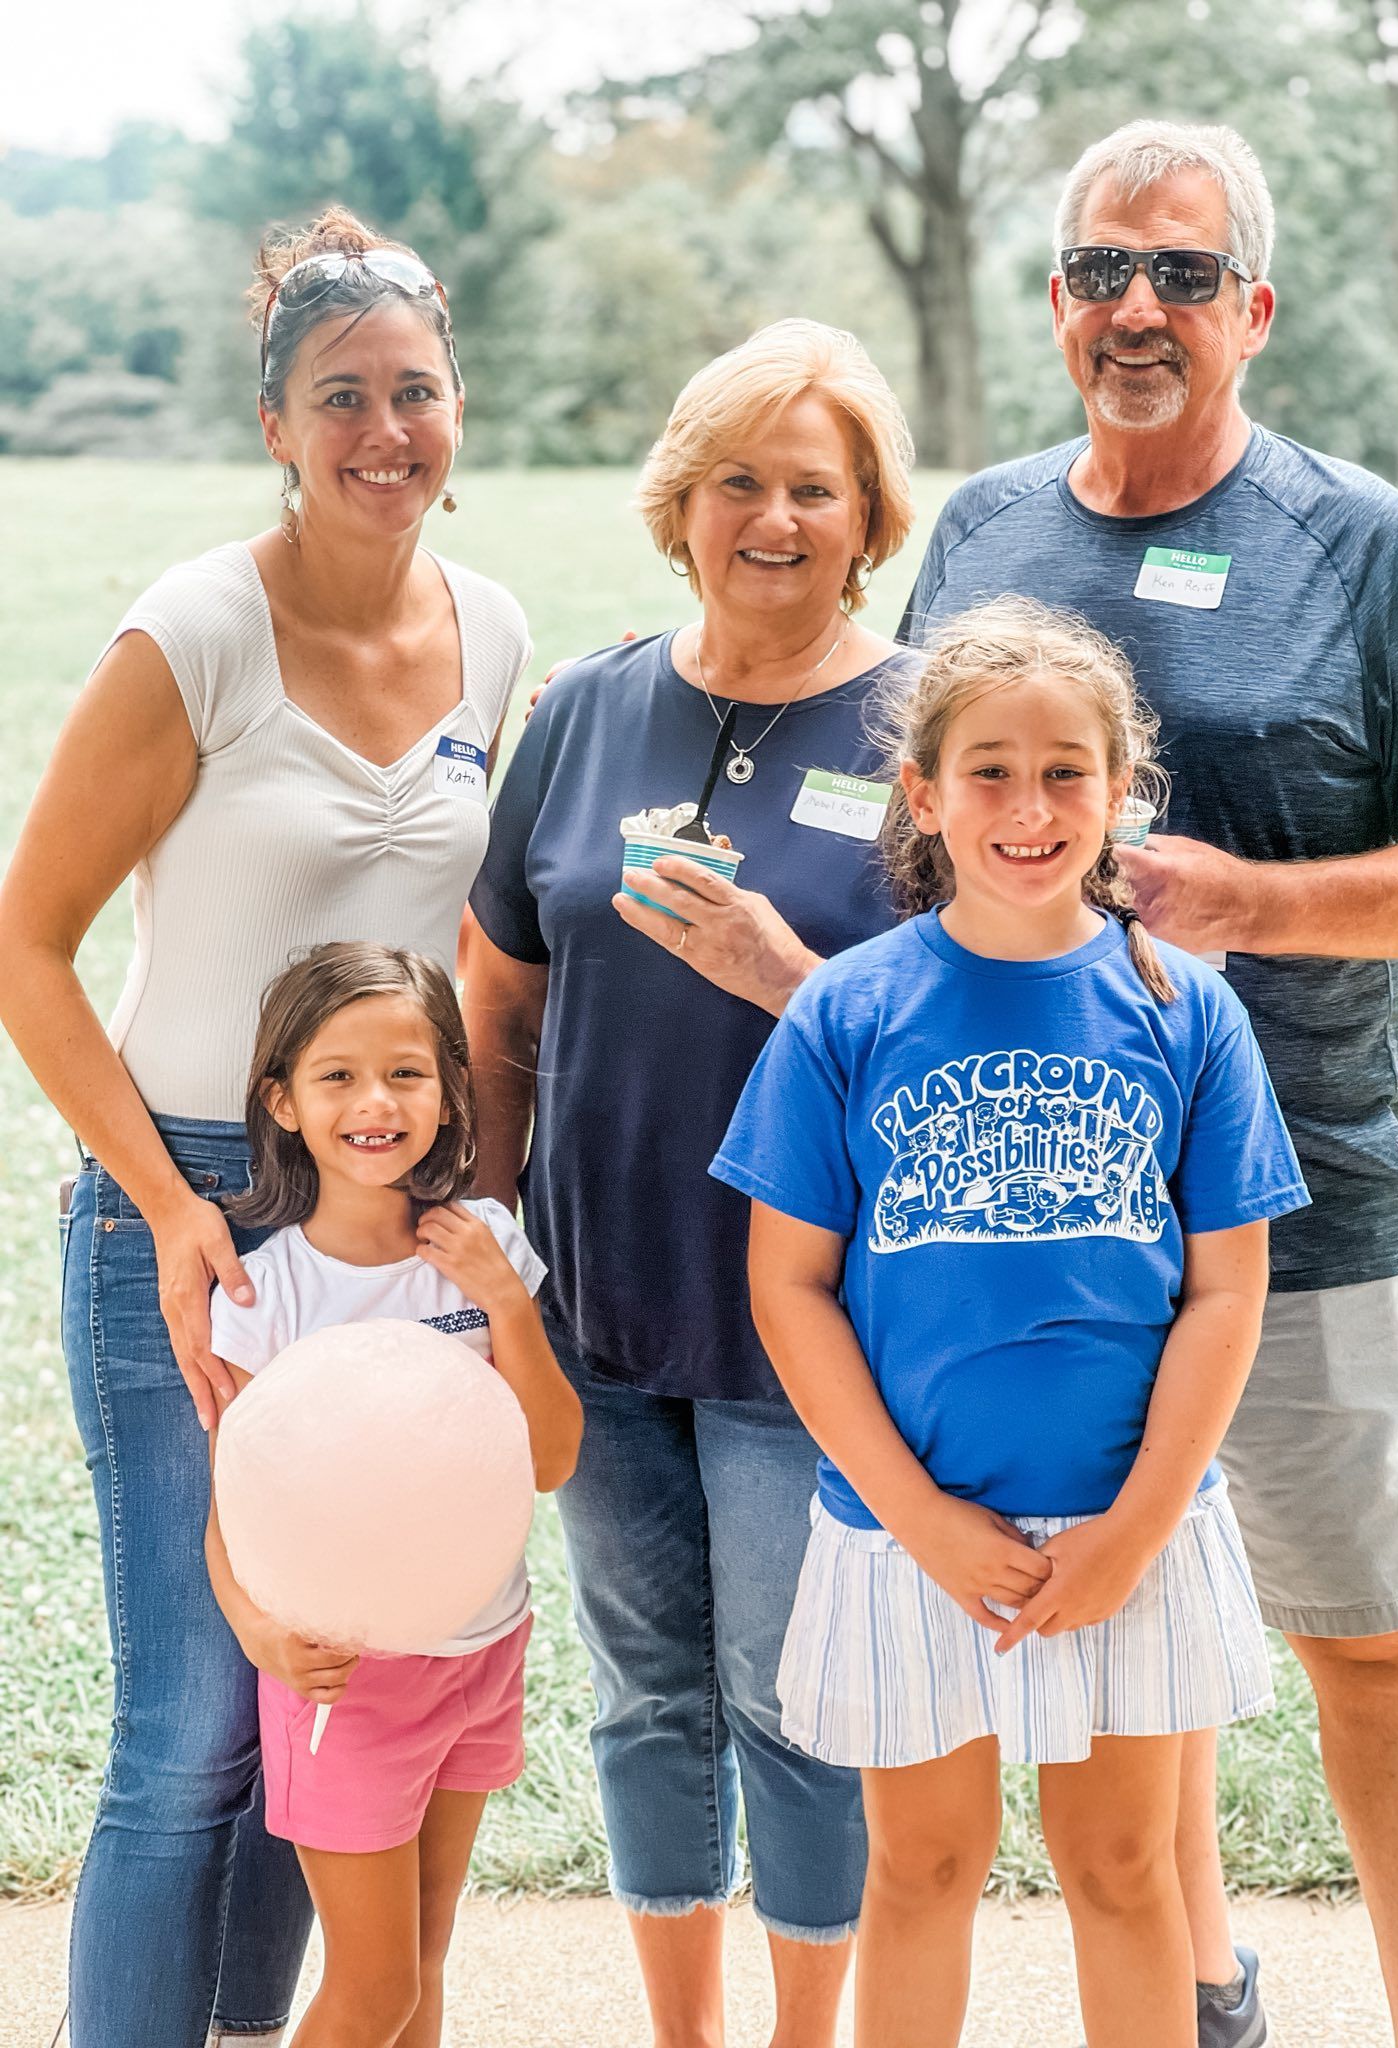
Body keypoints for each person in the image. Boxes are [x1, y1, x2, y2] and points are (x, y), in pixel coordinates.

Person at [898, 121, 1398, 2047]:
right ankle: (1204, 2000)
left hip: (1308, 1193)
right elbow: (922, 846)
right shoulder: (984, 535)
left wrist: (1262, 900)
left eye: (1181, 274)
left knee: (1364, 1639)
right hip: (1031, 1218)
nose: (1138, 308)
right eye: (1103, 269)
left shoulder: (1361, 543)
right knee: (1119, 1651)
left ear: (1252, 308)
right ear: (1057, 301)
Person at [0, 207, 530, 2047]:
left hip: (384, 1204)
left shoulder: (496, 631)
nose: (385, 429)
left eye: (414, 391)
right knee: (195, 1719)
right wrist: (161, 1204)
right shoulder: (199, 630)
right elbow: (27, 943)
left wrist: (473, 1196)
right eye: (340, 399)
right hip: (199, 1199)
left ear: (458, 405)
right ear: (274, 423)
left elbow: (464, 946)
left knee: (339, 1681)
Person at [712, 597, 1308, 2048]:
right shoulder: (848, 1013)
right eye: (989, 768)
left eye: (1065, 772)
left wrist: (1139, 1524)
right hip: (908, 1531)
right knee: (922, 1865)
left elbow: (1229, 1288)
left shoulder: (1188, 1013)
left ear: (1120, 795)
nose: (1028, 806)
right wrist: (916, 1515)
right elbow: (787, 1285)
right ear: (923, 792)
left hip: (1129, 1528)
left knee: (1122, 1867)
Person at [463, 319, 917, 2048]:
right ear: (683, 500)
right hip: (595, 1297)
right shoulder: (584, 707)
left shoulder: (927, 725)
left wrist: (793, 974)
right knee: (647, 1698)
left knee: (797, 1699)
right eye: (741, 479)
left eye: (816, 485)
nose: (776, 516)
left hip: (810, 1318)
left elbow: (979, 1023)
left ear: (868, 515)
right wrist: (494, 1238)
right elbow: (498, 984)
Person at [204, 942, 581, 2048]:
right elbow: (236, 1504)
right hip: (347, 1681)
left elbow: (551, 1460)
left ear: (452, 1088)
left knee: (421, 1963)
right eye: (338, 1075)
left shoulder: (489, 1249)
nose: (377, 1101)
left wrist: (506, 1303)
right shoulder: (263, 1291)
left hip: (482, 1650)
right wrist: (258, 1628)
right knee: (374, 1992)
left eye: (409, 1071)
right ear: (282, 1098)